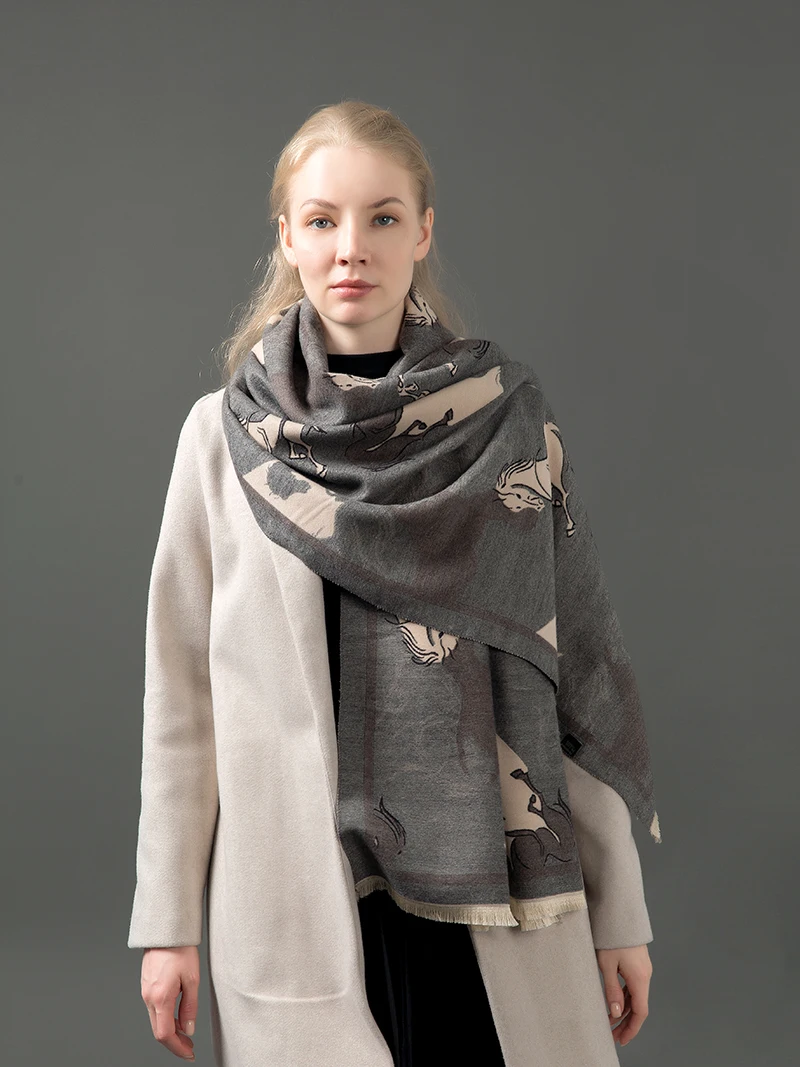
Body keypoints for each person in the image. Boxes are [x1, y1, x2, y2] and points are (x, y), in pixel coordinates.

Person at [128, 100, 657, 1067]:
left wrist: (620, 909)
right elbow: (183, 702)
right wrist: (167, 924)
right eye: (322, 219)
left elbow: (573, 673)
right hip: (299, 892)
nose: (351, 248)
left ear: (422, 231)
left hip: (489, 890)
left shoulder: (505, 427)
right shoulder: (221, 439)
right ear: (287, 237)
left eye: (381, 216)